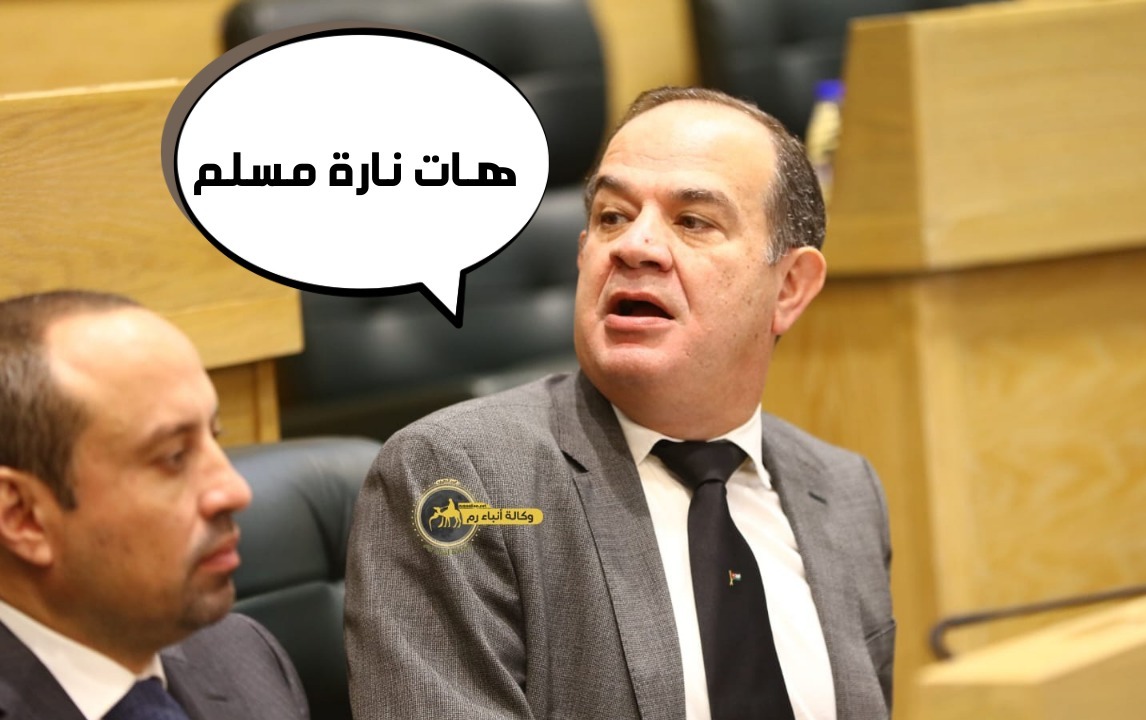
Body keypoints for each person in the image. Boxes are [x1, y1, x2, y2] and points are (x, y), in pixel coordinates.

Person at [346, 87, 893, 720]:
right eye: (612, 216)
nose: (635, 246)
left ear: (791, 287)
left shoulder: (844, 493)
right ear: (584, 253)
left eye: (693, 221)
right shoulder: (460, 479)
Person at [0, 290, 309, 720]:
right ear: (24, 517)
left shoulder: (241, 656)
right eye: (174, 457)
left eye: (216, 437)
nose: (235, 490)